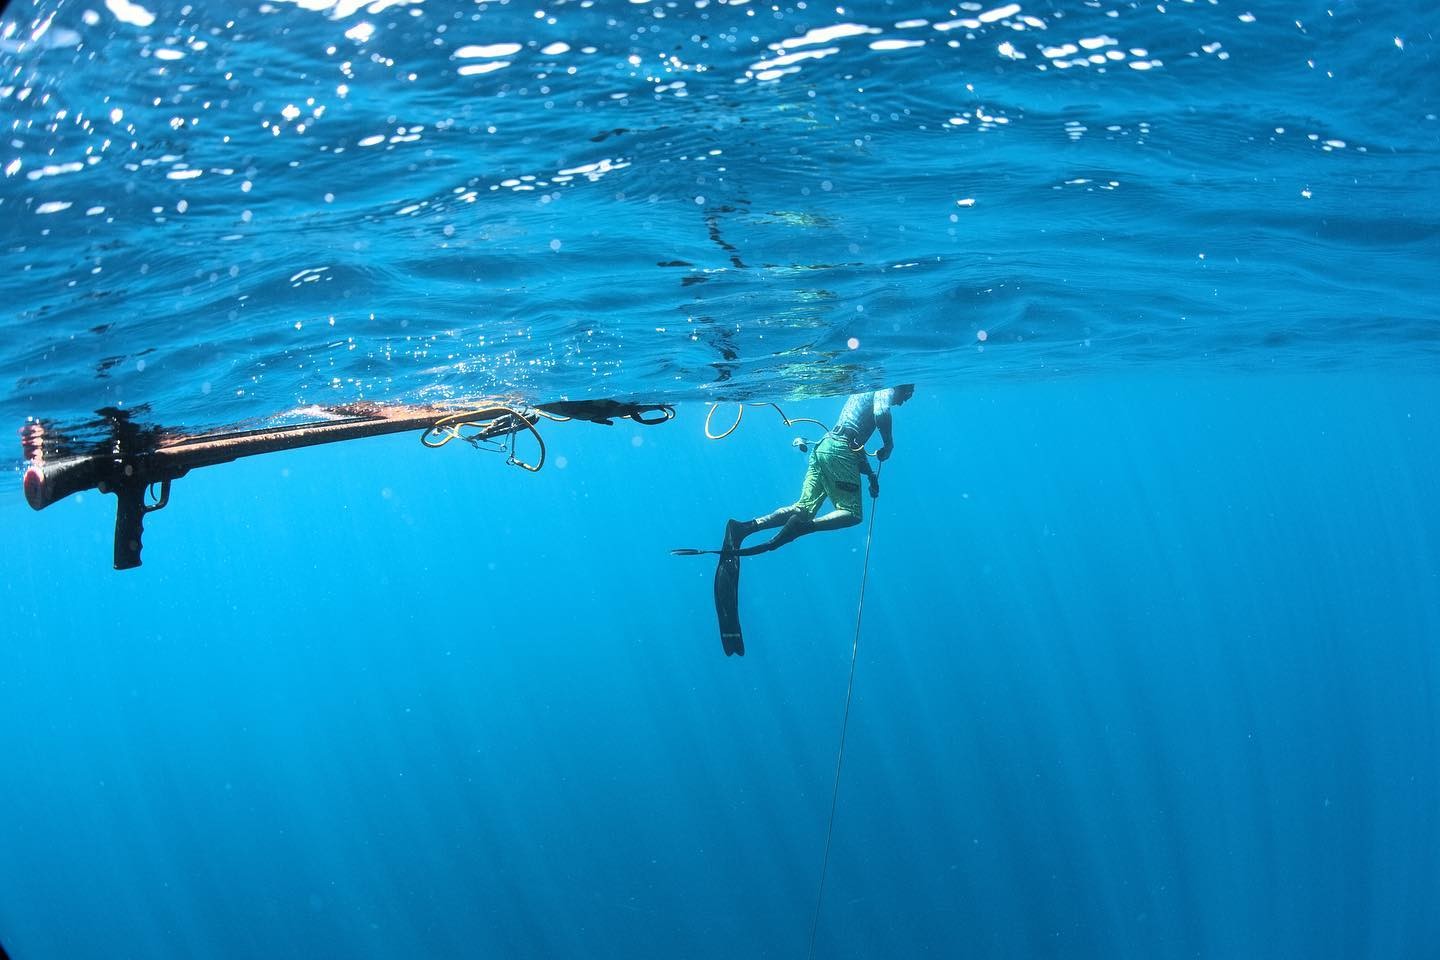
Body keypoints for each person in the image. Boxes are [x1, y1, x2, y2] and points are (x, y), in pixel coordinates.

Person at [724, 384, 914, 557]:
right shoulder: (885, 385)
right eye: (908, 393)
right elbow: (880, 413)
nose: (905, 400)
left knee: (803, 508)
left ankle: (744, 528)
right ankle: (803, 528)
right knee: (851, 513)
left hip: (825, 446)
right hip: (840, 449)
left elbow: (854, 443)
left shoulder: (866, 388)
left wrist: (871, 475)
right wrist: (889, 444)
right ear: (901, 386)